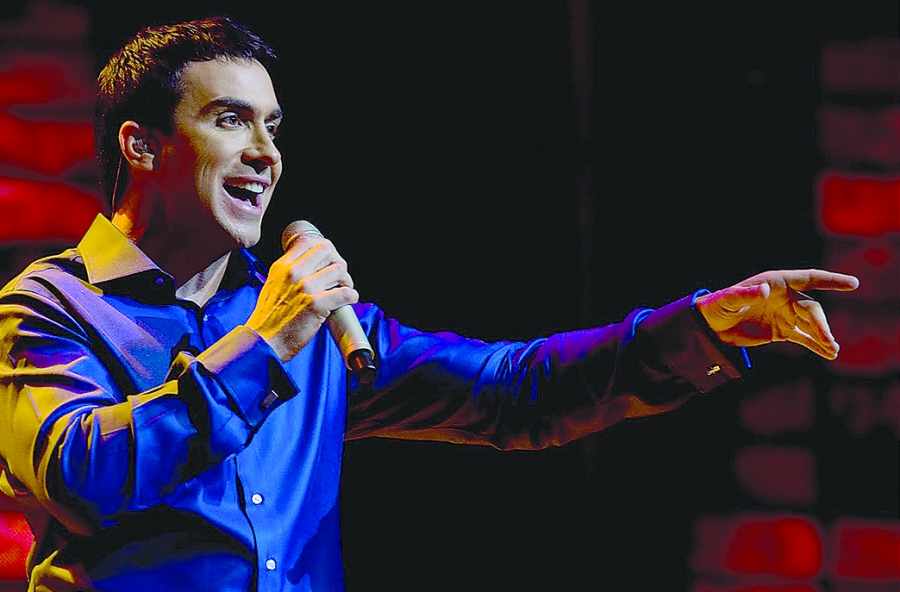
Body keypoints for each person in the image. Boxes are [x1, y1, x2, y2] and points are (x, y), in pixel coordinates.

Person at [0, 16, 858, 592]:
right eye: (232, 120)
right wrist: (263, 345)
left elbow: (512, 390)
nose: (267, 153)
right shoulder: (48, 307)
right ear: (142, 145)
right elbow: (81, 479)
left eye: (274, 127)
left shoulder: (300, 320)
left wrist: (699, 325)